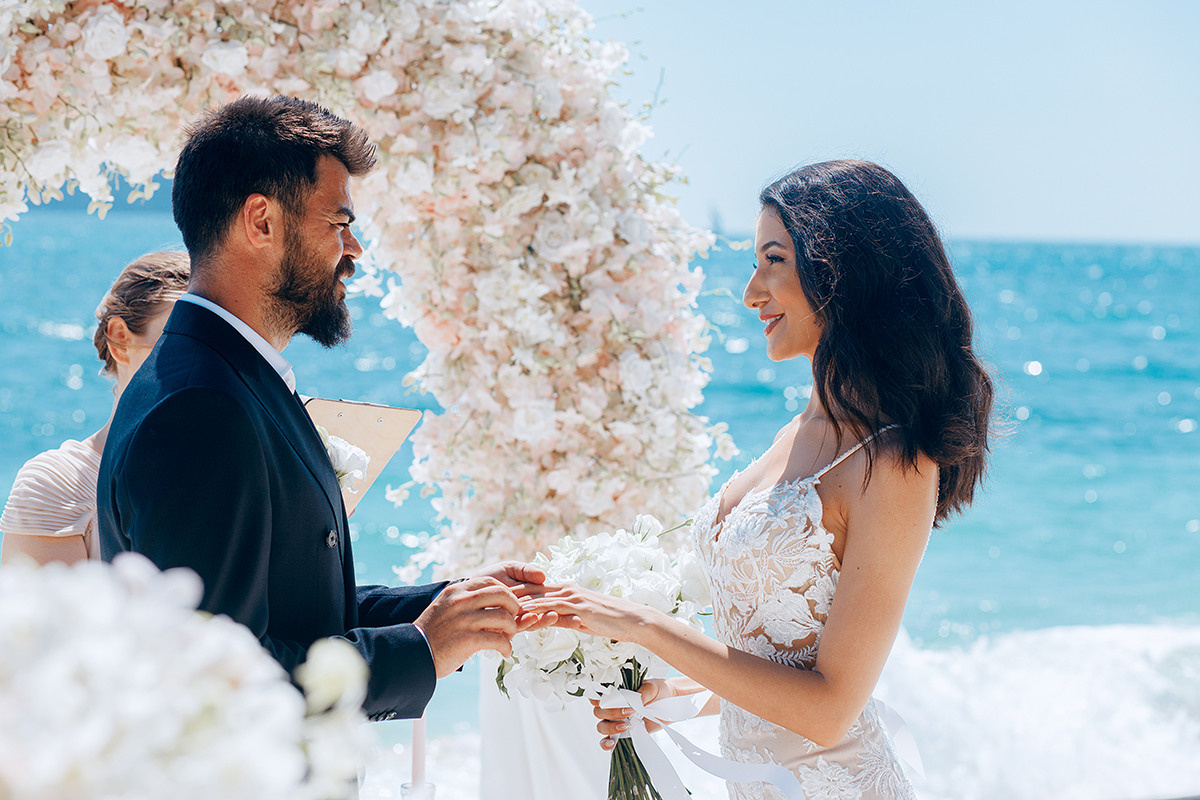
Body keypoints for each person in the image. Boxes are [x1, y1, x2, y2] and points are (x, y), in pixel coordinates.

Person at [520, 160, 994, 799]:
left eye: (774, 259)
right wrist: (668, 696)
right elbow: (774, 666)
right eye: (754, 262)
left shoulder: (897, 462)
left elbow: (828, 708)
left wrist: (642, 626)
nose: (751, 292)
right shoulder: (794, 434)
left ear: (843, 273)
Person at [97, 95, 551, 721]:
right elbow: (215, 680)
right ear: (261, 221)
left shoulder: (224, 377)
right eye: (338, 223)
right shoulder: (203, 408)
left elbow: (295, 609)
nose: (355, 249)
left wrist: (454, 607)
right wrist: (420, 650)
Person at [1, 252, 190, 566]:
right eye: (183, 341)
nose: (205, 360)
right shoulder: (57, 486)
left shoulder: (244, 472)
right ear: (120, 339)